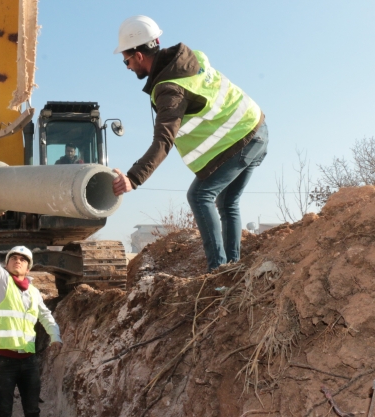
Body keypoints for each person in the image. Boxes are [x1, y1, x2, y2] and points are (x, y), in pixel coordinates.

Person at [111, 15, 269, 272]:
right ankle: (232, 270)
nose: (127, 67)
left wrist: (133, 178)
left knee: (199, 195)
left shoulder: (170, 89)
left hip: (241, 139)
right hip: (258, 128)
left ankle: (217, 271)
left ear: (139, 56)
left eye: (126, 60)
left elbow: (163, 141)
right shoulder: (191, 60)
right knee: (227, 203)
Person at [0, 212, 62, 417]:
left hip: (28, 362)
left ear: (29, 268)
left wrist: (55, 335)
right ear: (7, 264)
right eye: (14, 258)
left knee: (32, 410)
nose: (18, 260)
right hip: (3, 362)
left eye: (23, 259)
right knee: (4, 410)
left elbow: (45, 315)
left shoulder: (34, 292)